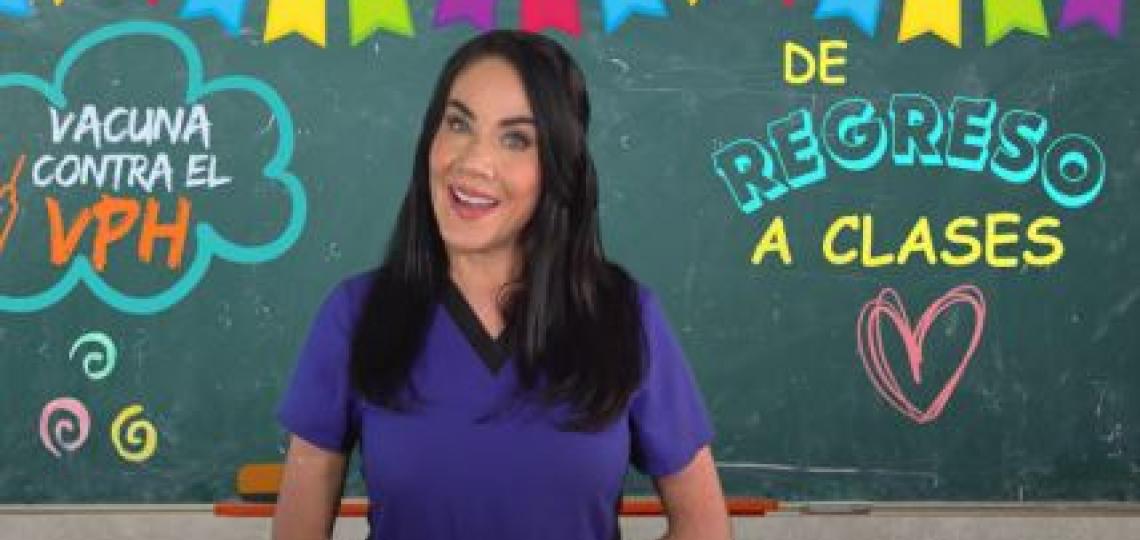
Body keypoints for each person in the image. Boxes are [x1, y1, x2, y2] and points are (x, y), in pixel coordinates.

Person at [272, 30, 730, 540]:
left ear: (558, 167)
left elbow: (705, 527)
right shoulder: (355, 316)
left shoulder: (624, 316)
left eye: (516, 139)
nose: (473, 161)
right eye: (458, 124)